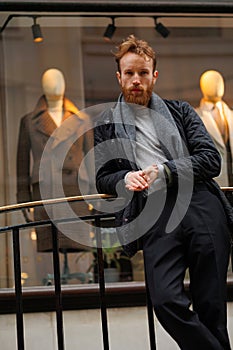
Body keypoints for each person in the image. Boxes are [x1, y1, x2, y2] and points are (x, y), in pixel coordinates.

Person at [94, 35, 233, 349]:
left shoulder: (180, 111)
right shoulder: (107, 124)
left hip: (200, 206)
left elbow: (211, 159)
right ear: (119, 76)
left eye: (143, 73)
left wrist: (167, 170)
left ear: (154, 75)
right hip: (154, 213)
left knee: (211, 306)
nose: (136, 80)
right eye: (129, 73)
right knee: (165, 300)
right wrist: (125, 177)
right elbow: (102, 177)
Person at [17, 68, 95, 252]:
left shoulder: (82, 120)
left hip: (75, 189)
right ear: (43, 86)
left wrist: (94, 194)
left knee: (75, 241)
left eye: (58, 80)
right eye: (49, 81)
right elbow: (21, 165)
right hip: (45, 191)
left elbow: (91, 162)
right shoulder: (28, 121)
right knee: (51, 245)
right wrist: (23, 199)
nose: (54, 85)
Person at [195, 70, 233, 187]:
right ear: (202, 87)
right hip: (213, 184)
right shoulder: (195, 117)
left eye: (219, 82)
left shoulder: (231, 114)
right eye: (211, 82)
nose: (216, 86)